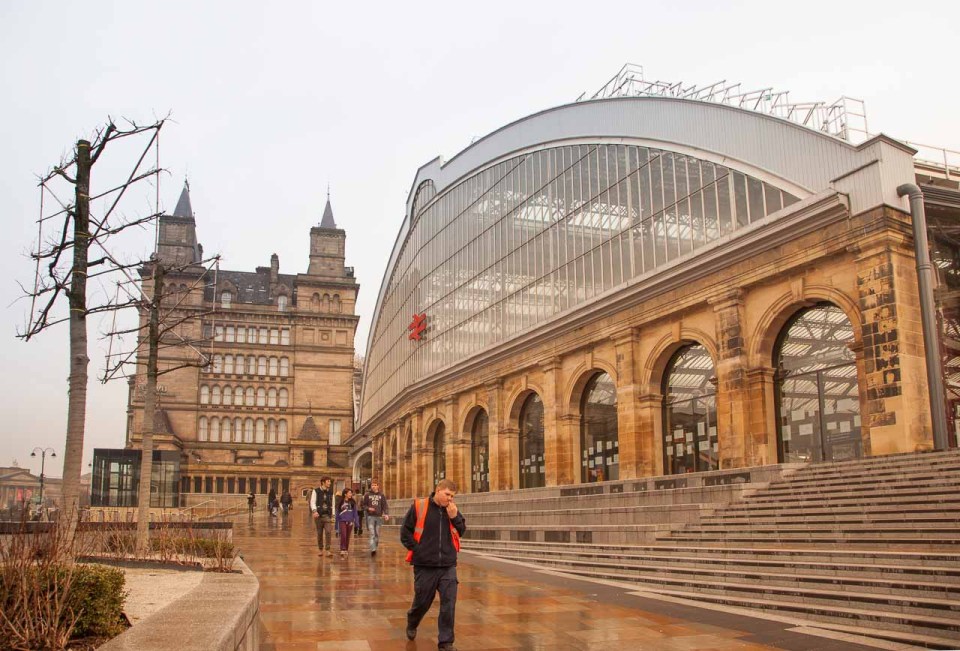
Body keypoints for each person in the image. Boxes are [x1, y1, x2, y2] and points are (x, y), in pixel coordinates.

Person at [401, 479, 466, 651]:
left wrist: (455, 517)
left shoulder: (451, 510)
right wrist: (418, 550)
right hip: (425, 565)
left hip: (448, 565)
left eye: (452, 496)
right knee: (422, 602)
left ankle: (446, 643)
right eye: (447, 495)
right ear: (438, 490)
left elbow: (462, 530)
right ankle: (413, 620)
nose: (450, 499)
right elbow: (405, 532)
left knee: (448, 604)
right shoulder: (419, 506)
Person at [361, 480, 390, 556]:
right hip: (370, 517)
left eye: (375, 485)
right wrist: (368, 508)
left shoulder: (381, 495)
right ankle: (372, 549)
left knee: (377, 533)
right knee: (372, 533)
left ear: (378, 486)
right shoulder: (367, 495)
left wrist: (386, 514)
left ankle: (375, 546)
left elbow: (384, 505)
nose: (373, 486)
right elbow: (363, 505)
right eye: (372, 485)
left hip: (379, 517)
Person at [310, 477, 335, 557]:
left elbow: (333, 504)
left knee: (328, 532)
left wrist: (333, 515)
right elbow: (312, 502)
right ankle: (320, 549)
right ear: (323, 482)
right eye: (328, 481)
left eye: (330, 482)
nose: (330, 483)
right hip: (318, 516)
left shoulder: (331, 492)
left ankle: (328, 550)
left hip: (327, 515)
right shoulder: (316, 491)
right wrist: (314, 511)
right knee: (319, 533)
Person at [335, 488, 360, 558]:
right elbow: (337, 513)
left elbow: (355, 513)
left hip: (350, 521)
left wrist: (357, 522)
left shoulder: (352, 502)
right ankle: (342, 549)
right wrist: (336, 524)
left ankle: (346, 548)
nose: (351, 494)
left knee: (348, 536)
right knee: (343, 534)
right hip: (342, 521)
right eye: (349, 493)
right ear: (345, 494)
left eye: (351, 493)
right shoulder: (340, 502)